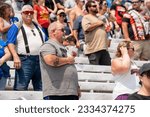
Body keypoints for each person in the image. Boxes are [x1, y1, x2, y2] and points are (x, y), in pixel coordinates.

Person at [7, 5, 47, 91]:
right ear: (21, 14)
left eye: (31, 12)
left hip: (40, 60)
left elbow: (46, 41)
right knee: (21, 88)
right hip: (25, 60)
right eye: (26, 12)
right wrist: (15, 56)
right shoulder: (16, 26)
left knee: (41, 89)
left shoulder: (39, 27)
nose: (29, 14)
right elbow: (10, 42)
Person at [39, 22, 80, 100]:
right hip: (56, 93)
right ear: (53, 32)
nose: (65, 32)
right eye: (62, 30)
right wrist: (67, 60)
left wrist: (76, 87)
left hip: (70, 92)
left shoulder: (63, 47)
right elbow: (51, 60)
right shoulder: (48, 45)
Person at [82, 0, 111, 65]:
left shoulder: (100, 17)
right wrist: (98, 23)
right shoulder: (86, 17)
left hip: (104, 48)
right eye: (94, 6)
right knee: (94, 71)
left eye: (97, 6)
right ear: (89, 8)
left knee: (107, 70)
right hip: (94, 49)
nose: (96, 7)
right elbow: (87, 28)